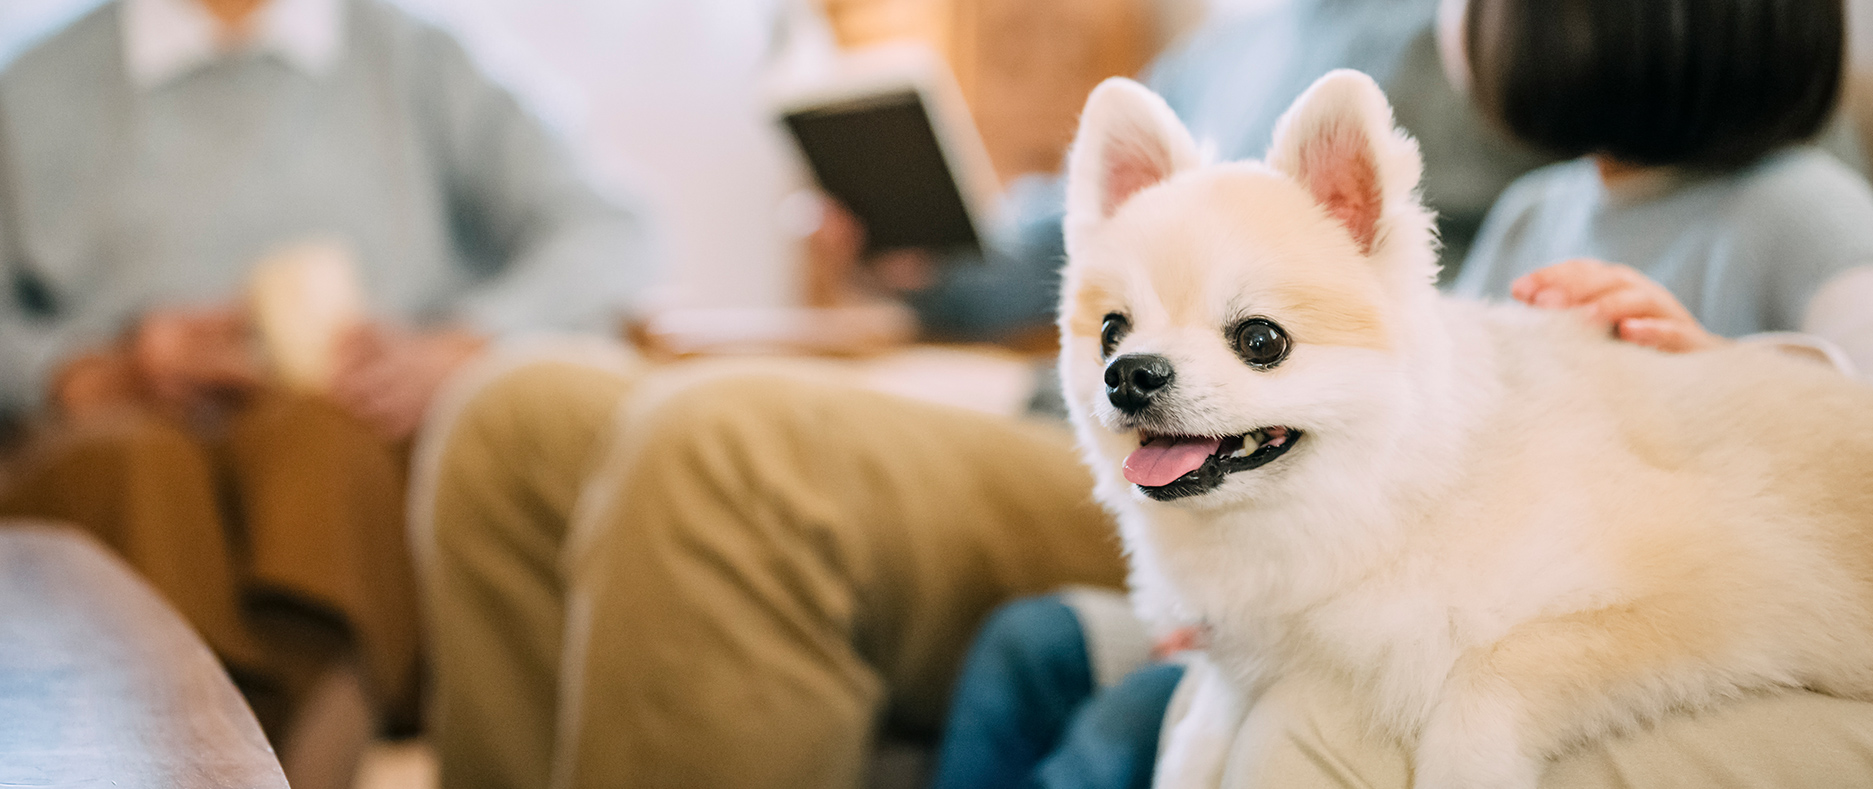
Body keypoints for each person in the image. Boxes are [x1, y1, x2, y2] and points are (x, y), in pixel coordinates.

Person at [413, 3, 1546, 789]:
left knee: (724, 447)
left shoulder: (1481, 46)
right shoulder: (1230, 45)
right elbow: (1071, 239)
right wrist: (928, 258)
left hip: (1278, 486)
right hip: (1073, 413)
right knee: (517, 414)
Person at [937, 0, 1873, 786]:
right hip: (1281, 585)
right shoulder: (1543, 206)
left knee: (1139, 727)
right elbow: (1419, 377)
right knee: (1034, 645)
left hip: (1592, 562)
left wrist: (1722, 354)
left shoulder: (1797, 203)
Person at [0, 0, 650, 771]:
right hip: (122, 429)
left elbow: (607, 231)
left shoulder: (416, 59)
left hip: (348, 426)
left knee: (321, 442)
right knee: (130, 465)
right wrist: (78, 370)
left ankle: (302, 756)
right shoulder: (32, 88)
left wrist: (464, 339)